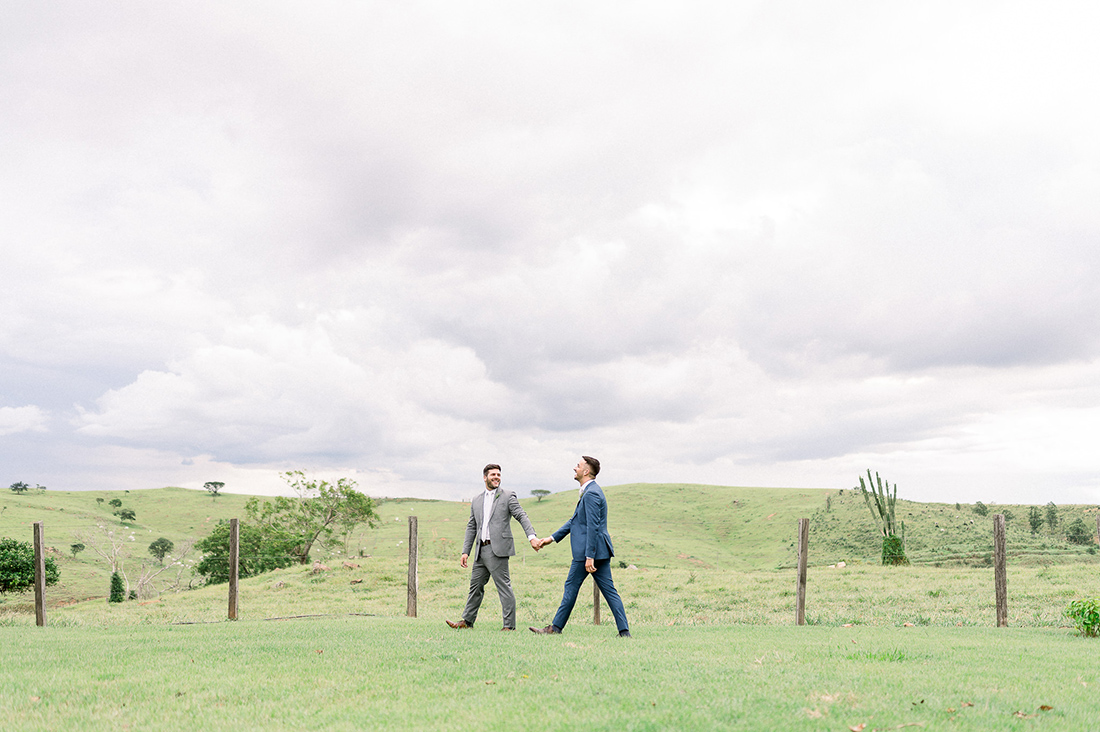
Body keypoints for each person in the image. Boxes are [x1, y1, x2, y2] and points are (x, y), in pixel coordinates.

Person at [530, 456, 630, 637]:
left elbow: (593, 526)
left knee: (571, 587)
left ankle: (555, 628)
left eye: (578, 466)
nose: (574, 468)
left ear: (586, 471)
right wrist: (550, 539)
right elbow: (574, 521)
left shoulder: (591, 493)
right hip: (599, 551)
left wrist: (589, 556)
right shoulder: (590, 491)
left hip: (589, 552)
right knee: (609, 591)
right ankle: (624, 632)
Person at [447, 464, 541, 631]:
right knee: (475, 587)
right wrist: (465, 551)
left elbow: (521, 515)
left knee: (504, 587)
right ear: (485, 477)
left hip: (498, 550)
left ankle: (509, 626)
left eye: (498, 474)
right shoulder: (476, 500)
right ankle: (467, 622)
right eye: (493, 475)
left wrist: (531, 537)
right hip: (480, 551)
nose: (496, 477)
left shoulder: (508, 496)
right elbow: (471, 526)